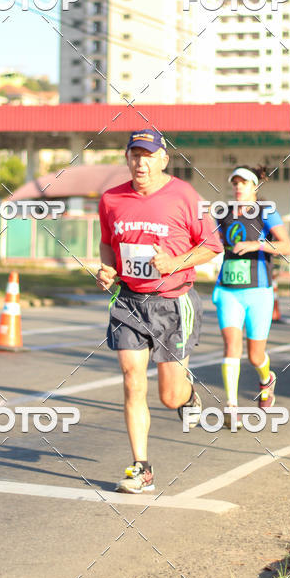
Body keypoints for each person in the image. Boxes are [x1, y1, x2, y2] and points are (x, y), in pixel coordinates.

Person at [97, 129, 223, 494]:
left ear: (163, 159)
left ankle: (188, 394)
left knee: (170, 396)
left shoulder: (184, 196)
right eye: (135, 155)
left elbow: (212, 245)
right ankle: (142, 467)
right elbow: (107, 243)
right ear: (127, 158)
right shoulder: (111, 199)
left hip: (172, 301)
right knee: (132, 379)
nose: (141, 162)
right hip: (128, 300)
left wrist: (174, 262)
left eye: (148, 155)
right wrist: (107, 269)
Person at [211, 166, 290, 427]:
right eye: (235, 183)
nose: (238, 187)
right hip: (228, 290)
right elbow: (211, 243)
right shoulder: (222, 213)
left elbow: (286, 245)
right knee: (231, 346)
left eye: (243, 183)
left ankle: (267, 380)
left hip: (258, 290)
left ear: (254, 186)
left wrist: (256, 244)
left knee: (255, 356)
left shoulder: (265, 211)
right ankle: (231, 407)